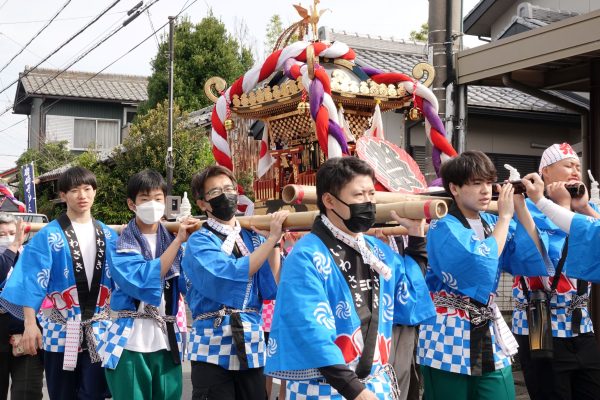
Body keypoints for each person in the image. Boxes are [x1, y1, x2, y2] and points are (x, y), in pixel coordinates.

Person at [265, 156, 435, 400]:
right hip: (324, 389)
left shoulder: (378, 251)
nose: (368, 203)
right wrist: (357, 392)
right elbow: (309, 332)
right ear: (329, 200)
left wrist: (417, 237)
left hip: (376, 386)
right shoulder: (306, 256)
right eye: (359, 195)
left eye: (371, 195)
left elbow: (408, 295)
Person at [418, 151, 549, 400]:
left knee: (501, 392)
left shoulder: (491, 220)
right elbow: (479, 263)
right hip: (448, 333)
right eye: (476, 183)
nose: (486, 190)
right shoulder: (444, 224)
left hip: (488, 328)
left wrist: (521, 209)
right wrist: (506, 217)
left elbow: (535, 255)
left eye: (489, 182)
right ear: (454, 188)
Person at [0, 166, 117, 400]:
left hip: (98, 329)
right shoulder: (48, 235)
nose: (82, 195)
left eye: (87, 189)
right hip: (59, 329)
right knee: (61, 394)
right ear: (63, 195)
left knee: (94, 394)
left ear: (95, 192)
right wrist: (30, 324)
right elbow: (30, 280)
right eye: (74, 190)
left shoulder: (109, 234)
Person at [182, 165, 288, 400]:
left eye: (229, 188)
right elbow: (228, 273)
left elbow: (272, 284)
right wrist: (269, 240)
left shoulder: (251, 236)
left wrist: (275, 243)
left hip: (250, 337)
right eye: (215, 191)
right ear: (202, 204)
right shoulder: (199, 241)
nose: (225, 194)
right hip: (211, 340)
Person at [98, 170, 198, 399]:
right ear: (132, 204)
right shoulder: (120, 245)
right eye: (144, 199)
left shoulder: (174, 239)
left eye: (158, 198)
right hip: (129, 340)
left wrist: (189, 244)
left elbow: (191, 286)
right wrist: (179, 243)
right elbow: (142, 280)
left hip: (166, 339)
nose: (152, 204)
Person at [512, 143, 600, 400]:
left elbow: (594, 236)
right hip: (542, 329)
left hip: (581, 327)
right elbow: (544, 257)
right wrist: (561, 205)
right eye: (567, 165)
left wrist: (581, 207)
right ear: (545, 173)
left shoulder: (584, 210)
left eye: (577, 166)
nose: (575, 169)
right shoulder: (527, 210)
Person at [0, 212, 44, 399]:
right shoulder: (9, 252)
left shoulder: (31, 258)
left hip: (27, 337)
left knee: (27, 393)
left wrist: (29, 327)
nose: (8, 237)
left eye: (12, 232)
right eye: (1, 234)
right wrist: (13, 245)